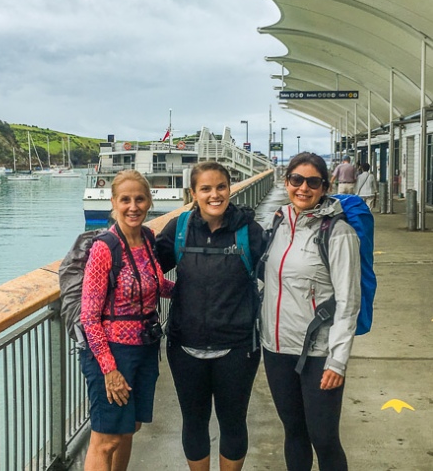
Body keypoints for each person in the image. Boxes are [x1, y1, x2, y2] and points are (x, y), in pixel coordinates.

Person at [156, 161, 265, 471]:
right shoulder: (178, 230)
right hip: (184, 346)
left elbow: (282, 275)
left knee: (233, 422)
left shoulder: (248, 231)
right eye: (206, 188)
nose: (214, 195)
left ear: (230, 189)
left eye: (221, 187)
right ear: (193, 193)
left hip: (238, 347)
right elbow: (142, 268)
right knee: (193, 422)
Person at [261, 152, 361, 471]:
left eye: (312, 182)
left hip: (318, 354)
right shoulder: (279, 222)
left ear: (324, 186)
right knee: (294, 433)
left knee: (324, 438)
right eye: (296, 180)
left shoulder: (338, 232)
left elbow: (348, 301)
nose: (303, 188)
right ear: (286, 181)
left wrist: (338, 360)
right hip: (276, 349)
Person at [80, 169, 173, 471]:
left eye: (139, 199)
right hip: (111, 353)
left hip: (144, 349)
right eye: (125, 200)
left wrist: (200, 287)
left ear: (149, 202)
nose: (133, 206)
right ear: (114, 202)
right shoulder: (104, 248)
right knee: (106, 439)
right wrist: (109, 369)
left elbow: (157, 285)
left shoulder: (148, 238)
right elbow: (89, 318)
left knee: (129, 428)